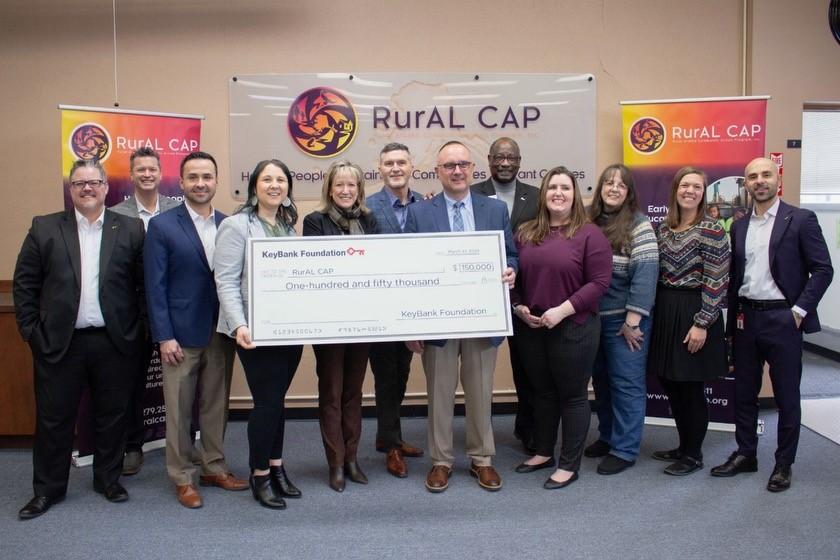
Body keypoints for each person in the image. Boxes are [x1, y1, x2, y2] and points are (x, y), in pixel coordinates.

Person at [14, 159, 145, 519]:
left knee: (113, 416)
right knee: (54, 420)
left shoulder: (131, 229)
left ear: (106, 188)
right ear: (70, 190)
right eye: (79, 183)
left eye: (94, 182)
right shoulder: (44, 228)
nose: (87, 188)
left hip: (114, 342)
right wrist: (31, 332)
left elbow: (142, 286)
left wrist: (139, 333)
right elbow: (25, 284)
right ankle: (48, 491)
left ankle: (108, 480)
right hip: (60, 344)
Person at [711, 157, 833, 492]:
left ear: (778, 179)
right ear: (746, 184)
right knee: (743, 393)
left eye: (766, 174)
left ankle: (783, 464)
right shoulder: (739, 226)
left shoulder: (801, 219)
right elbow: (737, 277)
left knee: (786, 396)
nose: (759, 181)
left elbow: (823, 270)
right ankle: (746, 454)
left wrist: (799, 310)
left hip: (784, 319)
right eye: (752, 176)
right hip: (745, 319)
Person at [404, 141, 518, 494]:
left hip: (482, 317)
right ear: (437, 171)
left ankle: (482, 459)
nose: (456, 171)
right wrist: (412, 325)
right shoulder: (420, 213)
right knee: (439, 392)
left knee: (481, 390)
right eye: (449, 165)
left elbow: (510, 253)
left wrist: (510, 271)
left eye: (462, 164)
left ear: (472, 169)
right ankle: (441, 461)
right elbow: (409, 269)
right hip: (438, 319)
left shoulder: (494, 210)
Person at [145, 151, 247, 509]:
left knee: (216, 406)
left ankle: (214, 466)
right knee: (178, 408)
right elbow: (154, 286)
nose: (201, 183)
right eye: (193, 177)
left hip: (221, 331)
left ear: (217, 181)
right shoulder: (162, 226)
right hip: (180, 335)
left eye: (207, 176)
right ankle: (183, 477)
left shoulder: (229, 224)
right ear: (182, 182)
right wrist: (164, 335)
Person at [510, 166, 611, 489]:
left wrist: (562, 311)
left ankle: (569, 464)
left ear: (575, 195)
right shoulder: (526, 232)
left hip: (574, 326)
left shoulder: (589, 234)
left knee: (572, 396)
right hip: (532, 326)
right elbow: (513, 276)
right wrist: (519, 306)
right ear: (543, 193)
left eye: (565, 188)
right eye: (552, 187)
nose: (558, 193)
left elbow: (599, 282)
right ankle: (543, 452)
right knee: (541, 392)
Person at [215, 159, 303, 509]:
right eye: (267, 179)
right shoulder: (237, 226)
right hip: (253, 330)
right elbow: (225, 279)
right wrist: (239, 325)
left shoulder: (287, 225)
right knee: (266, 403)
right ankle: (259, 473)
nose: (274, 185)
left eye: (281, 179)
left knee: (277, 401)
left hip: (288, 328)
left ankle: (277, 466)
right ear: (254, 186)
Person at [647, 166, 730, 476]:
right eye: (685, 185)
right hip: (667, 310)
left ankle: (694, 455)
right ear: (675, 190)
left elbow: (717, 279)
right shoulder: (664, 228)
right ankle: (683, 445)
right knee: (671, 382)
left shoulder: (712, 229)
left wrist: (703, 322)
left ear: (703, 192)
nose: (690, 191)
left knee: (691, 388)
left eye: (696, 186)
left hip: (695, 311)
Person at [303, 160, 379, 492]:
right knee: (331, 392)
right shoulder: (315, 221)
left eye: (352, 185)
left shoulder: (369, 220)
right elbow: (320, 270)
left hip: (363, 319)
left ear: (359, 190)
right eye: (339, 185)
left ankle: (352, 458)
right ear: (329, 190)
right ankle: (334, 462)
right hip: (330, 322)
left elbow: (379, 265)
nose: (346, 191)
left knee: (354, 392)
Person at [584, 164, 659, 475]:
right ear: (600, 187)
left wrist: (633, 321)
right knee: (601, 382)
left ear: (629, 193)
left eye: (621, 185)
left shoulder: (639, 225)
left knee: (626, 385)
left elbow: (645, 275)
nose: (613, 188)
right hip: (591, 320)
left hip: (624, 322)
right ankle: (608, 436)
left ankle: (625, 449)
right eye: (608, 183)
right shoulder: (588, 221)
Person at [109, 146, 179, 476]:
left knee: (179, 379)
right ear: (132, 174)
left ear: (161, 172)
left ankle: (181, 441)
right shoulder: (116, 214)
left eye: (153, 169)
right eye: (141, 169)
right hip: (132, 313)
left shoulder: (176, 210)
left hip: (171, 310)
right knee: (132, 382)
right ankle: (132, 444)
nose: (147, 174)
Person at [471, 137, 540, 453]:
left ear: (520, 160)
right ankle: (478, 435)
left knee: (527, 367)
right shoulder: (471, 194)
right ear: (488, 159)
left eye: (511, 157)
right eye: (499, 157)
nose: (504, 162)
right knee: (478, 369)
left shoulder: (537, 197)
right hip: (482, 298)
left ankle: (528, 429)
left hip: (526, 295)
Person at [365, 143, 425, 478]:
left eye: (401, 161)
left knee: (402, 374)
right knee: (386, 377)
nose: (396, 167)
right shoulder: (367, 207)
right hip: (381, 309)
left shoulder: (426, 206)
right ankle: (390, 447)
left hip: (415, 308)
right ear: (380, 168)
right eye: (389, 163)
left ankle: (390, 436)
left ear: (411, 166)